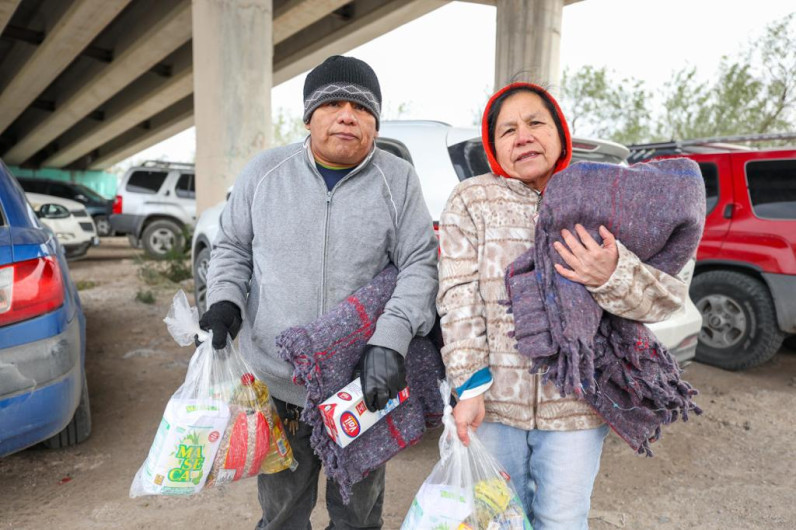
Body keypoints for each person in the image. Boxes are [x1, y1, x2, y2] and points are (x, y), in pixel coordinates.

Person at [199, 55, 438, 530]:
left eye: (361, 108)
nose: (347, 115)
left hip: (361, 386)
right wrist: (224, 298)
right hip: (281, 381)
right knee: (283, 510)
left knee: (359, 514)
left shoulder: (398, 180)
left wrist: (390, 339)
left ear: (374, 122)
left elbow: (420, 264)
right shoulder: (265, 172)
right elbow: (232, 248)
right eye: (333, 104)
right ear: (309, 116)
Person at [436, 82, 689, 530]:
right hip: (493, 405)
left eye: (536, 122)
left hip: (575, 406)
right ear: (494, 147)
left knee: (563, 520)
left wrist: (610, 273)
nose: (524, 136)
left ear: (560, 132)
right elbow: (458, 298)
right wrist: (469, 387)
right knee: (498, 521)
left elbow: (665, 298)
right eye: (508, 130)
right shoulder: (471, 200)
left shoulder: (606, 198)